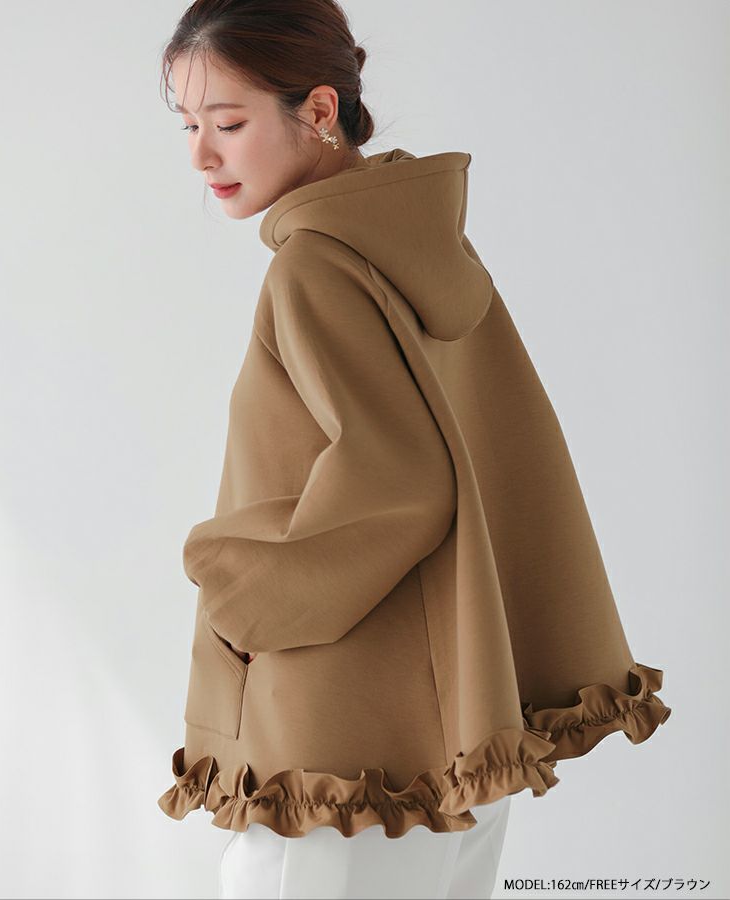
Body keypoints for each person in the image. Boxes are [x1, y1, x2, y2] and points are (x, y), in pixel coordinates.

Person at [156, 2, 672, 898]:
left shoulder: (316, 266)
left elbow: (396, 482)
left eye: (227, 123)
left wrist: (239, 592)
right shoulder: (421, 240)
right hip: (455, 719)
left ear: (320, 110)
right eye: (188, 124)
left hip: (343, 750)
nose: (201, 155)